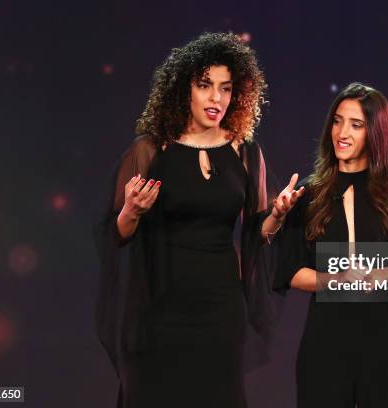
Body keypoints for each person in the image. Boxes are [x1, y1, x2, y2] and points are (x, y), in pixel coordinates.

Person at [94, 32, 304, 408]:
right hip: (158, 310)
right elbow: (114, 234)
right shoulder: (149, 149)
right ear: (183, 90)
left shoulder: (245, 152)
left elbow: (258, 235)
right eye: (205, 86)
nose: (216, 98)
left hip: (220, 312)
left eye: (225, 88)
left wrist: (276, 214)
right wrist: (132, 212)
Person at [274, 83, 388, 407]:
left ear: (375, 133)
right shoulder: (309, 193)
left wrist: (382, 275)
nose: (342, 133)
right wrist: (335, 280)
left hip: (386, 344)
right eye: (337, 121)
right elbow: (289, 271)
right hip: (324, 344)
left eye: (356, 124)